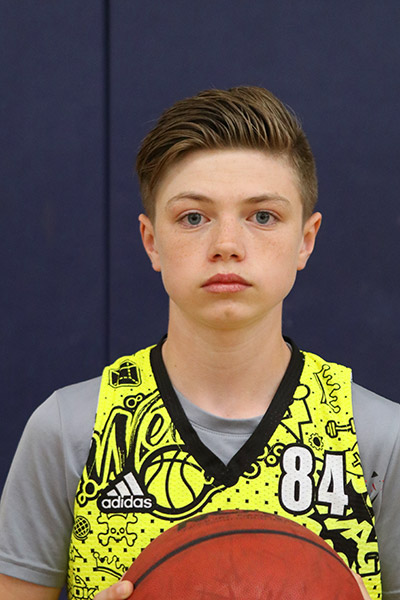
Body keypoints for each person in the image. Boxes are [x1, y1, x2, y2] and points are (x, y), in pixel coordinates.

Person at [0, 86, 399, 600]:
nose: (226, 245)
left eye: (262, 216)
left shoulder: (378, 439)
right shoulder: (70, 429)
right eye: (193, 217)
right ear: (152, 241)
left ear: (306, 240)